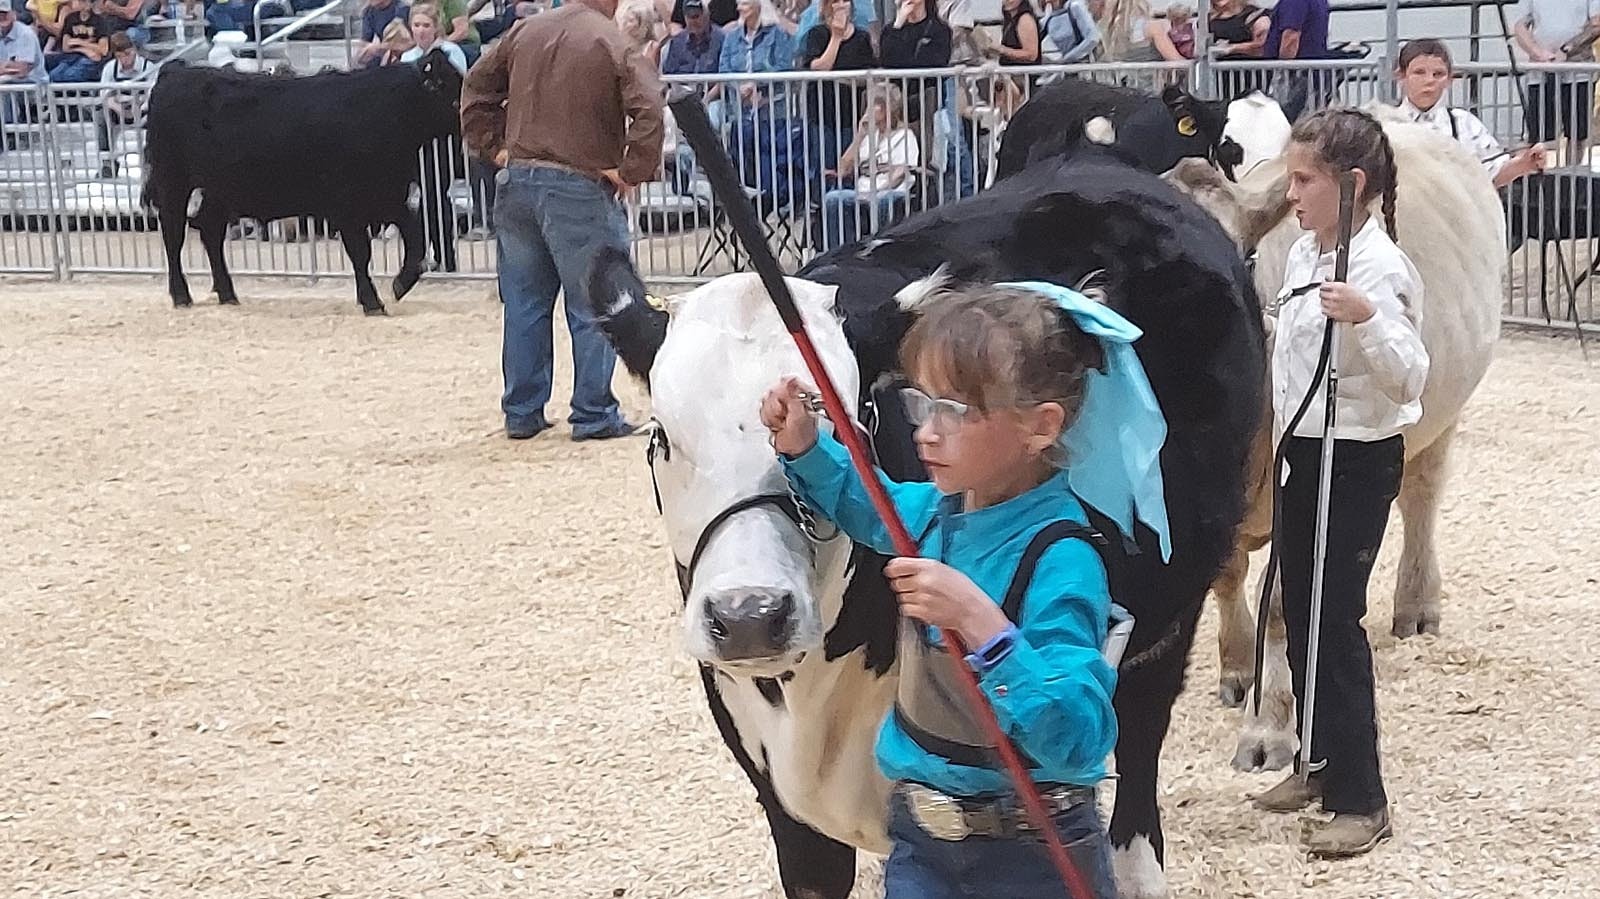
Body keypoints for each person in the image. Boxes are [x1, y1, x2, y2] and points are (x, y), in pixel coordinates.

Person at [761, 280, 1173, 899]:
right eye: (920, 405)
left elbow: (1079, 735)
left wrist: (986, 629)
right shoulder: (937, 512)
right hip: (921, 840)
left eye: (955, 412)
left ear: (1040, 427)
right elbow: (870, 504)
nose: (926, 432)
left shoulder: (1062, 558)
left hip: (1034, 853)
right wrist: (807, 447)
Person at [1252, 107, 1428, 859]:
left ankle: (1364, 797)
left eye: (1304, 179)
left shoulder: (1383, 269)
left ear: (1351, 185)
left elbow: (1409, 377)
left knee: (1336, 621)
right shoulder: (1304, 252)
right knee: (1299, 604)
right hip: (1303, 452)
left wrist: (1366, 320)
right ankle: (1316, 761)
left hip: (1355, 459)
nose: (1290, 193)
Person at [461, 0, 664, 441]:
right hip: (578, 185)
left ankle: (522, 412)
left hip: (517, 181)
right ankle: (593, 412)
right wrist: (632, 171)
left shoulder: (525, 31)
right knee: (594, 303)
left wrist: (492, 147)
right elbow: (649, 105)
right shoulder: (611, 39)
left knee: (524, 304)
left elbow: (476, 85)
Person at [1395, 38, 1545, 189]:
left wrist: (1524, 164)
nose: (1429, 80)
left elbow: (1493, 174)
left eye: (1438, 74)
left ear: (1449, 80)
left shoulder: (1464, 123)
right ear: (1401, 76)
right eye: (1419, 72)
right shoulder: (1384, 126)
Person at [818, 86, 919, 249]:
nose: (869, 110)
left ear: (887, 109)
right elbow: (843, 170)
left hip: (891, 191)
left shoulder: (905, 136)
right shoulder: (867, 136)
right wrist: (859, 136)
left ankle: (881, 250)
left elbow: (900, 174)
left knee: (884, 201)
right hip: (863, 192)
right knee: (833, 198)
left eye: (875, 104)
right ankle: (842, 251)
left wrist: (877, 192)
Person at [1513, 0, 1600, 164]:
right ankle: (1537, 180)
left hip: (1578, 71)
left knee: (1576, 132)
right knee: (1536, 132)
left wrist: (1567, 49)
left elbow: (1596, 25)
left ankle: (1571, 178)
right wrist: (1537, 52)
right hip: (1541, 72)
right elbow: (1520, 26)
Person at [95, 31, 150, 175]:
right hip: (118, 108)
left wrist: (140, 108)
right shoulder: (110, 68)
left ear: (134, 50)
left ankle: (151, 161)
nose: (125, 59)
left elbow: (153, 94)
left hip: (143, 110)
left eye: (128, 53)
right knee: (101, 117)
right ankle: (108, 163)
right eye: (120, 56)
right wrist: (117, 107)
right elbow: (104, 94)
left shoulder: (148, 67)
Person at [1263, 0, 1328, 120]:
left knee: (1284, 118)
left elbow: (1291, 38)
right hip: (1312, 73)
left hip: (1295, 75)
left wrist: (1282, 69)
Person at [1207, 0, 1268, 97]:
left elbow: (1263, 47)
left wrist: (1232, 48)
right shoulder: (1207, 21)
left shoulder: (1255, 15)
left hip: (1252, 83)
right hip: (1218, 86)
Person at [46, 0, 106, 82]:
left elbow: (103, 50)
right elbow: (65, 46)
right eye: (82, 1)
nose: (85, 4)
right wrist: (85, 48)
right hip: (71, 56)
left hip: (89, 59)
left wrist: (78, 42)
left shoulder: (100, 21)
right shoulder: (70, 18)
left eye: (88, 2)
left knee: (70, 75)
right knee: (54, 75)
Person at [356, 0, 410, 67]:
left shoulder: (403, 9)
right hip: (384, 58)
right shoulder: (369, 12)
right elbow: (363, 45)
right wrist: (363, 53)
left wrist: (379, 48)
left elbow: (411, 44)